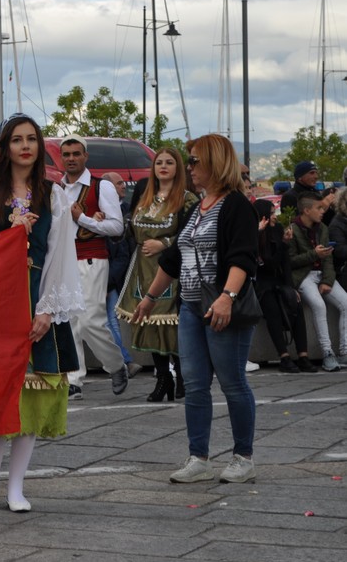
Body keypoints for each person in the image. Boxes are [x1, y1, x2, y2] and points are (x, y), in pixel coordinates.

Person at [0, 114, 82, 512]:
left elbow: (62, 253)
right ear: (6, 146)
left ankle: (16, 486)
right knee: (0, 394)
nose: (25, 146)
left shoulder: (54, 196)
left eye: (32, 139)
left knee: (32, 394)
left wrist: (48, 308)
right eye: (17, 140)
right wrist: (9, 234)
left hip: (37, 298)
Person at [133, 133, 259, 484]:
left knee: (233, 383)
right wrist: (149, 298)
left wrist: (227, 297)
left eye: (194, 161)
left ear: (215, 163)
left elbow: (243, 257)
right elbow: (174, 259)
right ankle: (198, 457)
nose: (189, 168)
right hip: (190, 306)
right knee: (195, 383)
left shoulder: (236, 205)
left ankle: (243, 457)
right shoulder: (198, 207)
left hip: (221, 307)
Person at [116, 148, 199, 401]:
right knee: (149, 321)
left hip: (170, 267)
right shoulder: (144, 194)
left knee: (171, 323)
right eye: (159, 162)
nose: (163, 166)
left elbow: (191, 233)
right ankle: (163, 378)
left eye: (169, 162)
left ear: (179, 167)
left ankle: (182, 375)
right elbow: (130, 227)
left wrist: (164, 244)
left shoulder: (187, 199)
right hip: (142, 266)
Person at [59, 134, 128, 399]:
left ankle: (116, 365)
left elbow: (116, 226)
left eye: (76, 154)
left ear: (85, 156)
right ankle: (74, 380)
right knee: (69, 320)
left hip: (93, 257)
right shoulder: (58, 189)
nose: (71, 159)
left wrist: (84, 219)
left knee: (90, 321)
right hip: (66, 259)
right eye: (67, 154)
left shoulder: (102, 187)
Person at [287, 192, 347, 372]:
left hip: (322, 274)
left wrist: (328, 280)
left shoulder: (322, 228)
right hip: (304, 277)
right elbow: (290, 262)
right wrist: (315, 254)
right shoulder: (293, 230)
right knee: (319, 306)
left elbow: (328, 258)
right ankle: (327, 353)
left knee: (346, 302)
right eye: (319, 208)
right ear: (306, 210)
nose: (323, 211)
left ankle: (344, 351)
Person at [254, 199, 315, 373]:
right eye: (272, 213)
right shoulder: (257, 235)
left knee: (296, 306)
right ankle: (284, 356)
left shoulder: (278, 230)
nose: (275, 217)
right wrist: (283, 245)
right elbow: (269, 263)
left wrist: (291, 287)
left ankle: (303, 355)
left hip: (279, 280)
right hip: (264, 283)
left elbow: (285, 263)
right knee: (272, 309)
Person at [102, 171, 142, 379]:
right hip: (102, 275)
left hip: (110, 279)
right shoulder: (101, 215)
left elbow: (122, 254)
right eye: (119, 184)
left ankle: (123, 362)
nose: (124, 186)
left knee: (109, 321)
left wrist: (107, 282)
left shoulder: (125, 214)